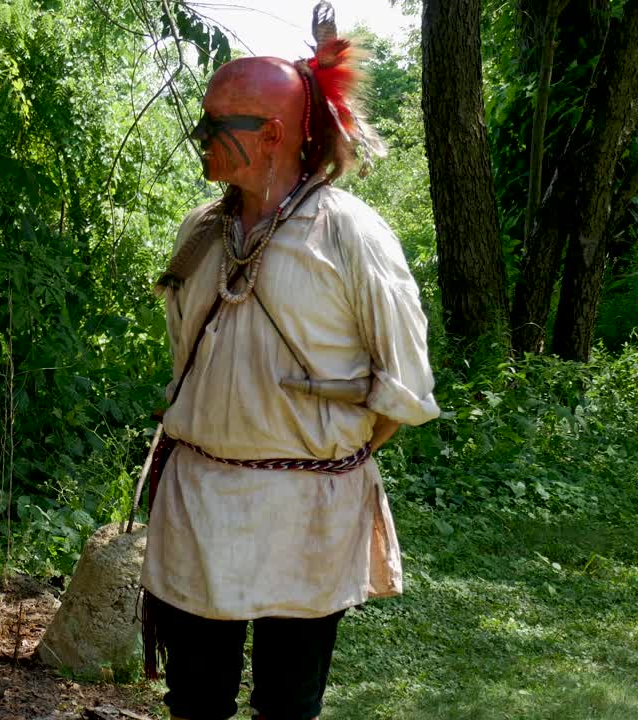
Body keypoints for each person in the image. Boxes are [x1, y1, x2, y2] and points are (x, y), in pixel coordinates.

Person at [139, 4, 440, 720]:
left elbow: (403, 391)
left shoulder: (351, 235)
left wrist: (318, 463)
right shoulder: (200, 233)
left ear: (272, 133)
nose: (200, 137)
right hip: (199, 505)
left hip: (307, 513)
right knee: (195, 701)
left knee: (286, 704)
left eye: (218, 125)